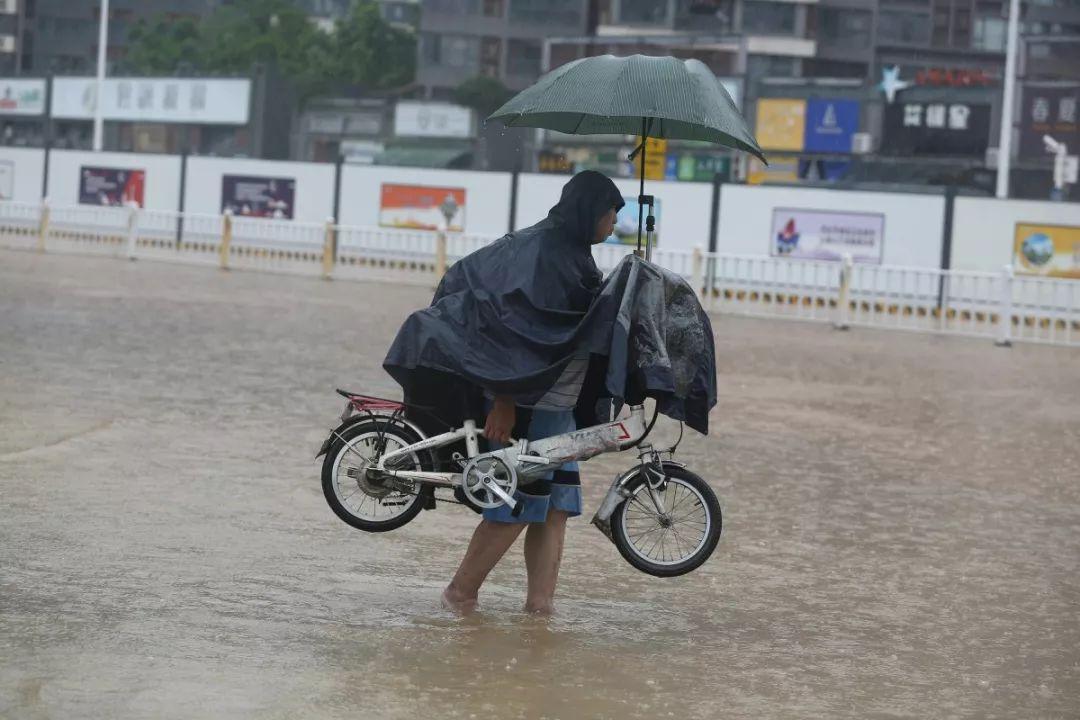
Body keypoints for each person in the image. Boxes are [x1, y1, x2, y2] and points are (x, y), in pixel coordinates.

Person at [435, 171, 623, 615]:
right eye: (611, 213)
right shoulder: (543, 254)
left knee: (555, 508)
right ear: (589, 212)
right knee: (517, 507)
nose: (614, 222)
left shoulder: (573, 253)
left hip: (559, 408)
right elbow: (513, 328)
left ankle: (540, 611)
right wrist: (502, 400)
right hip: (529, 407)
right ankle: (458, 596)